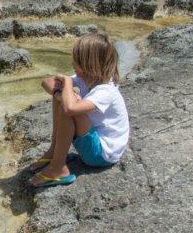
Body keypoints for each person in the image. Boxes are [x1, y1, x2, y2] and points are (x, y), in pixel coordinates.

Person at [29, 32, 130, 188]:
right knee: (64, 96)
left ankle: (58, 169)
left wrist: (67, 85)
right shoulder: (86, 78)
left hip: (102, 154)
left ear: (90, 65)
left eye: (76, 59)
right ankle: (53, 153)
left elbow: (70, 109)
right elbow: (46, 82)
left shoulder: (106, 91)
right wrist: (60, 93)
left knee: (69, 102)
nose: (72, 62)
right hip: (92, 141)